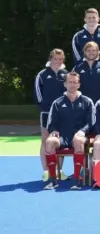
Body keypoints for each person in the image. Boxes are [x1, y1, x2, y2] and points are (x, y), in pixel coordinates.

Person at [43, 72, 95, 190]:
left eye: (75, 82)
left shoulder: (87, 101)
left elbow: (91, 122)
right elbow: (51, 123)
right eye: (70, 82)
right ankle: (53, 179)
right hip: (62, 136)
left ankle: (76, 179)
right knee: (50, 141)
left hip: (80, 136)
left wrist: (82, 131)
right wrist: (54, 130)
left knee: (78, 140)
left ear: (79, 84)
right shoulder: (57, 103)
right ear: (65, 84)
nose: (72, 85)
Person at [34, 49, 69, 182]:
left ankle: (59, 170)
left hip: (62, 114)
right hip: (46, 113)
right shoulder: (42, 75)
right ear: (51, 59)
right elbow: (38, 95)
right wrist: (46, 108)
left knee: (59, 142)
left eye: (60, 59)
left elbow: (69, 92)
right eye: (55, 59)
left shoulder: (66, 74)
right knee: (45, 140)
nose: (58, 62)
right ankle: (46, 171)